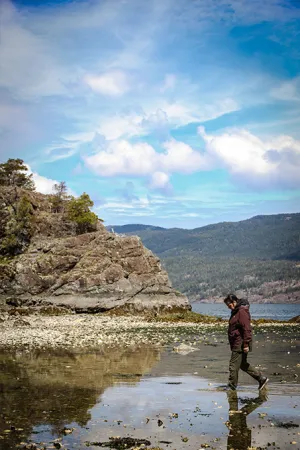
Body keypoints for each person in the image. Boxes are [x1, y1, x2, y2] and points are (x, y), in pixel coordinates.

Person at [224, 294, 269, 391]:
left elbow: (247, 329)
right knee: (242, 364)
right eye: (227, 305)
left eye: (229, 304)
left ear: (234, 301)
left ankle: (232, 386)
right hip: (238, 342)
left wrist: (245, 344)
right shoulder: (236, 311)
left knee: (233, 364)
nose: (228, 306)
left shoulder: (241, 312)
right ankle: (261, 379)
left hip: (240, 343)